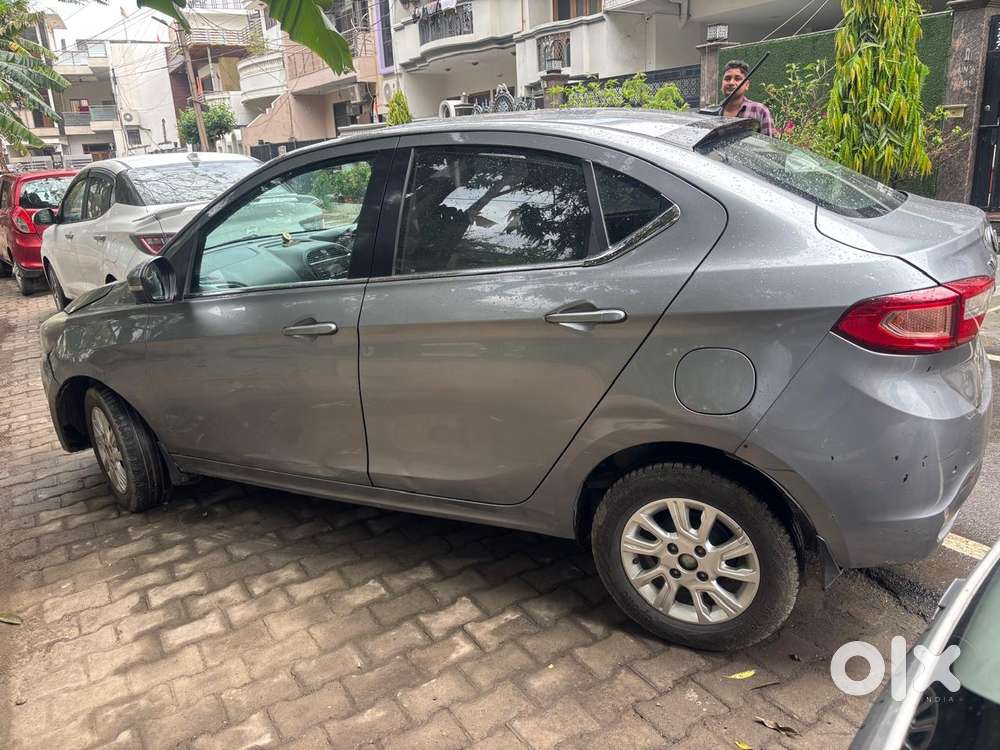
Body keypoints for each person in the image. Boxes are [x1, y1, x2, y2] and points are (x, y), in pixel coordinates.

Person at [721, 60, 776, 137]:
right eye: (727, 79)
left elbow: (769, 146)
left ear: (747, 85)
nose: (731, 83)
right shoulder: (711, 113)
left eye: (737, 79)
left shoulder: (760, 111)